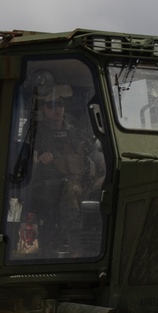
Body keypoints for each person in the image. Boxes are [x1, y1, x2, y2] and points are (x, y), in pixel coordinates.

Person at [27, 84, 105, 256]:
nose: (58, 109)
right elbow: (22, 158)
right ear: (42, 108)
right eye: (52, 105)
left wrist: (99, 163)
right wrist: (38, 159)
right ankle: (75, 245)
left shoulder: (73, 127)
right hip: (51, 184)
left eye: (61, 105)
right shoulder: (35, 132)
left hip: (84, 179)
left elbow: (91, 148)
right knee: (71, 189)